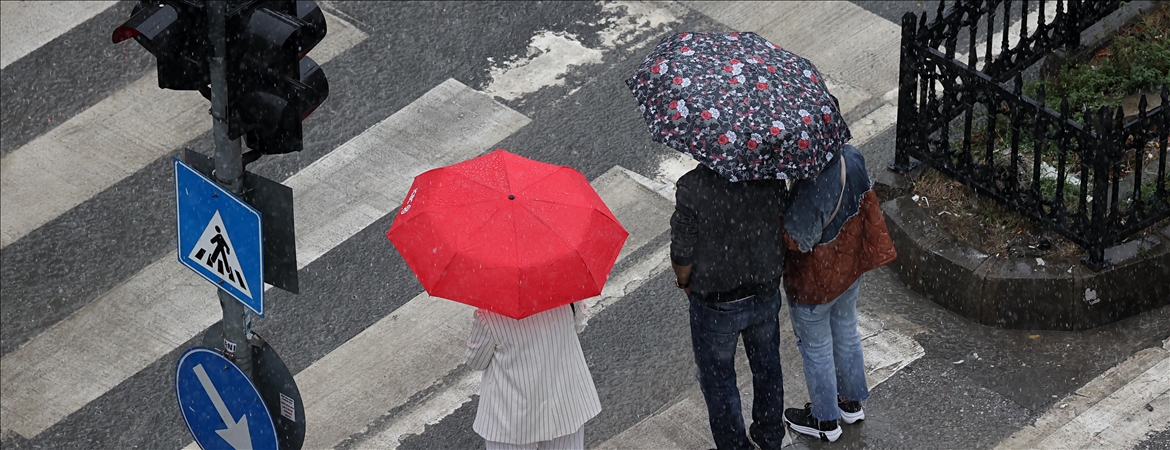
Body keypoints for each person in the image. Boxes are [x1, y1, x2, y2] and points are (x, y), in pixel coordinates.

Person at [780, 144, 897, 442]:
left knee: (816, 348)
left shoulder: (815, 182)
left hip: (815, 282)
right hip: (848, 268)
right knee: (846, 331)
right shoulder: (852, 157)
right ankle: (851, 403)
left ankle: (825, 421)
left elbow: (798, 240)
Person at [671, 163, 790, 450]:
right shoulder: (770, 175)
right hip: (764, 291)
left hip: (716, 302)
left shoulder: (692, 187)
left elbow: (682, 254)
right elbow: (783, 222)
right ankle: (770, 434)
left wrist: (684, 283)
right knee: (767, 367)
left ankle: (735, 445)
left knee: (719, 381)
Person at [465, 301, 601, 450]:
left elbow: (477, 362)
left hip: (513, 419)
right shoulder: (565, 297)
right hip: (564, 407)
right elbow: (579, 325)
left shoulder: (489, 316)